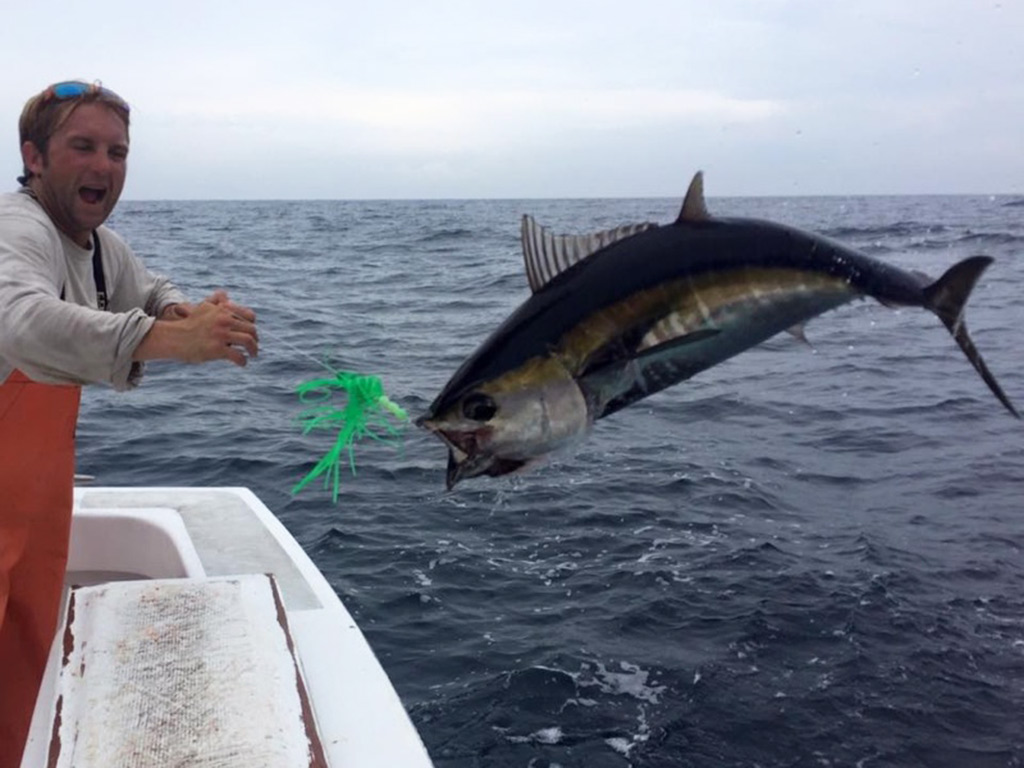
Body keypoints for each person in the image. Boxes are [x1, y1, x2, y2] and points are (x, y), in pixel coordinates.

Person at [0, 80, 259, 766]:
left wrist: (179, 312)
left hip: (34, 511)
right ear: (34, 157)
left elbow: (146, 286)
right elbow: (20, 322)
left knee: (19, 687)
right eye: (81, 146)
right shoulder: (17, 228)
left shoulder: (95, 243)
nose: (104, 165)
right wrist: (171, 342)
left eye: (116, 151)